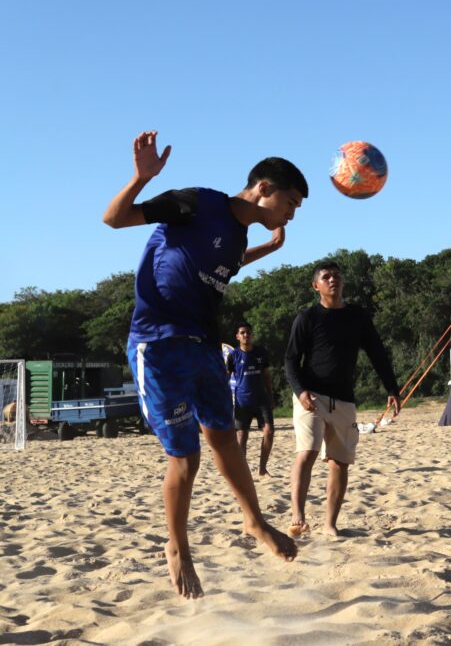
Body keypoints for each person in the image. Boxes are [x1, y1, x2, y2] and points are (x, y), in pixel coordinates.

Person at [103, 131, 302, 599]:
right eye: (291, 201)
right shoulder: (197, 202)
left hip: (204, 345)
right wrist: (139, 178)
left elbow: (223, 262)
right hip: (158, 341)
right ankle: (178, 549)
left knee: (224, 437)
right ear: (264, 189)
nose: (293, 213)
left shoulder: (239, 235)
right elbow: (114, 219)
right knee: (186, 456)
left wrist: (266, 252)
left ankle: (254, 520)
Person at [284, 262, 401, 537]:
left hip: (344, 399)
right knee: (308, 452)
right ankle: (298, 517)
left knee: (340, 461)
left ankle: (329, 525)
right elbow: (290, 359)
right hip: (310, 396)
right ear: (316, 286)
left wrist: (392, 389)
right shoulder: (307, 317)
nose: (332, 279)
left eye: (337, 275)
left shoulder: (357, 316)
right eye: (326, 277)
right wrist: (300, 391)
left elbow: (377, 353)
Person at [227, 322, 275, 477]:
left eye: (248, 332)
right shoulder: (233, 355)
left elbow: (266, 376)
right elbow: (226, 378)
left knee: (269, 431)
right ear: (237, 336)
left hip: (262, 400)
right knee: (242, 436)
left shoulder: (261, 352)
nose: (246, 335)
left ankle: (262, 467)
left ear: (252, 334)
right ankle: (243, 470)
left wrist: (271, 395)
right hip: (242, 402)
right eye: (242, 332)